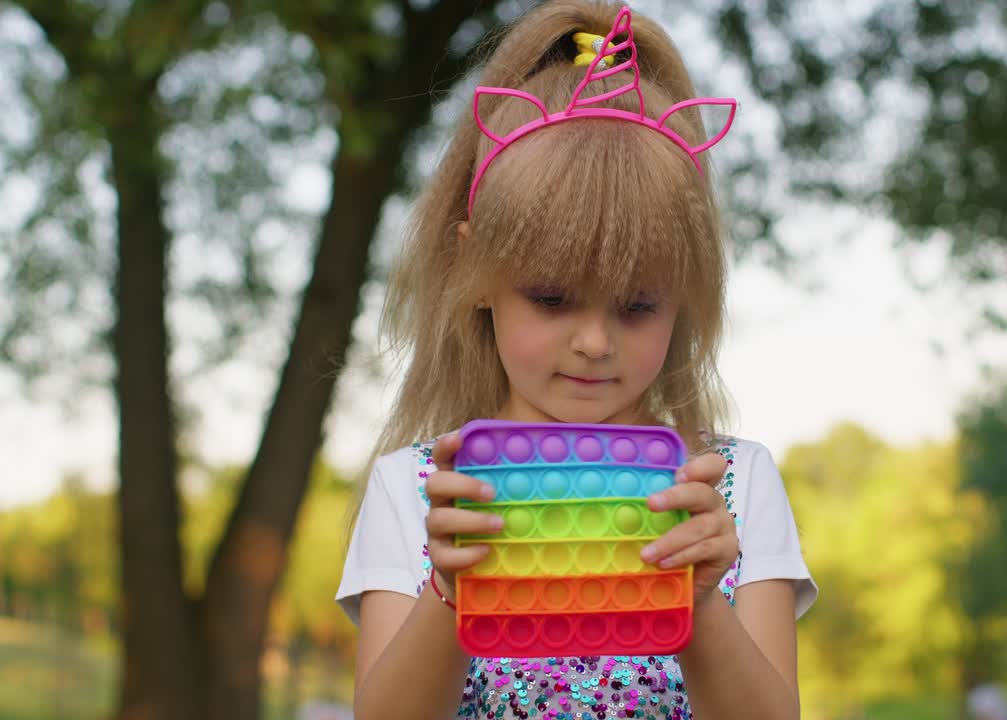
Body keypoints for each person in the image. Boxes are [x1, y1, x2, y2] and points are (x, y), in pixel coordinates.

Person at [335, 2, 817, 718]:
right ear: (476, 270)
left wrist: (701, 604)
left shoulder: (733, 489)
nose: (595, 341)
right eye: (553, 298)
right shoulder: (420, 493)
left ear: (684, 295)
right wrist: (451, 593)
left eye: (637, 306)